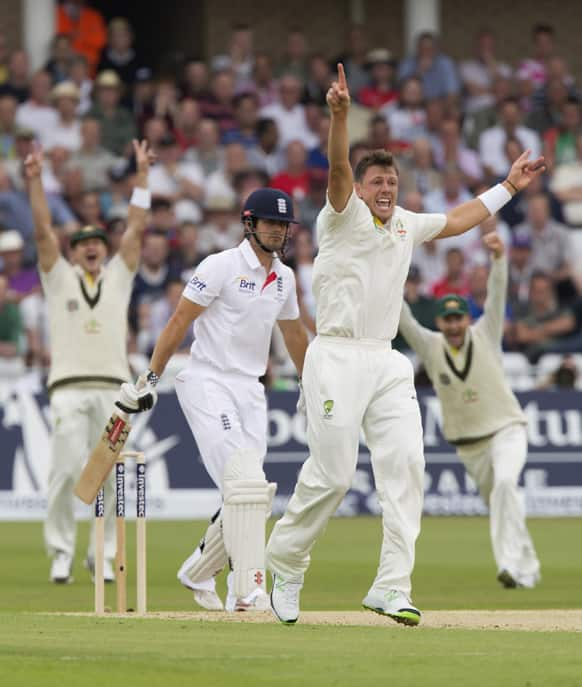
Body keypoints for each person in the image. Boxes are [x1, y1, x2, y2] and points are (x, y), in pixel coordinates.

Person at [265, 63, 545, 626]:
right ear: (360, 191)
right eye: (378, 184)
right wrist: (340, 116)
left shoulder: (407, 224)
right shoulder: (339, 218)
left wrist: (509, 186)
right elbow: (340, 168)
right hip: (336, 354)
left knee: (406, 466)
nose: (386, 189)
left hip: (386, 359)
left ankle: (392, 585)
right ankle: (288, 562)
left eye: (392, 183)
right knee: (336, 474)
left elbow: (462, 218)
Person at [116, 187, 309, 612]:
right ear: (249, 223)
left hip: (250, 387)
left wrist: (312, 384)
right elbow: (180, 319)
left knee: (251, 493)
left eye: (284, 225)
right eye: (270, 223)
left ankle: (200, 570)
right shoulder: (220, 266)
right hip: (206, 380)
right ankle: (247, 590)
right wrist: (149, 377)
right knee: (244, 481)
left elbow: (293, 334)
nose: (278, 231)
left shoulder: (286, 278)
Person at [25, 139, 153, 584]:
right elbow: (43, 232)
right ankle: (61, 551)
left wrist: (142, 177)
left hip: (115, 392)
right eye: (83, 244)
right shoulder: (58, 279)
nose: (92, 247)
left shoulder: (118, 277)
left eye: (98, 241)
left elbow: (135, 230)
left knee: (114, 475)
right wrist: (36, 180)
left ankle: (105, 553)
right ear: (73, 252)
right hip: (69, 388)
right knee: (63, 471)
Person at [398, 233, 541, 589]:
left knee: (507, 484)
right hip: (469, 446)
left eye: (458, 319)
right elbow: (404, 320)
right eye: (447, 321)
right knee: (502, 504)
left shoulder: (486, 333)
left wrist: (498, 259)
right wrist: (387, 277)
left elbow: (497, 297)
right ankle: (530, 567)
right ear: (441, 323)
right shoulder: (431, 347)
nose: (454, 326)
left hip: (508, 429)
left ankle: (509, 566)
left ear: (466, 319)